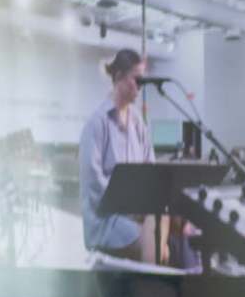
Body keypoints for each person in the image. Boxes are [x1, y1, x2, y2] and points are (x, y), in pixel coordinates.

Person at [79, 47, 187, 268]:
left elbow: (151, 172)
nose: (141, 86)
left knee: (171, 224)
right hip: (107, 221)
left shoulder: (138, 124)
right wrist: (133, 209)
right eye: (136, 79)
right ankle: (153, 290)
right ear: (118, 77)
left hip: (139, 214)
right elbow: (94, 187)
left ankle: (159, 278)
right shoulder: (96, 124)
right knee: (159, 245)